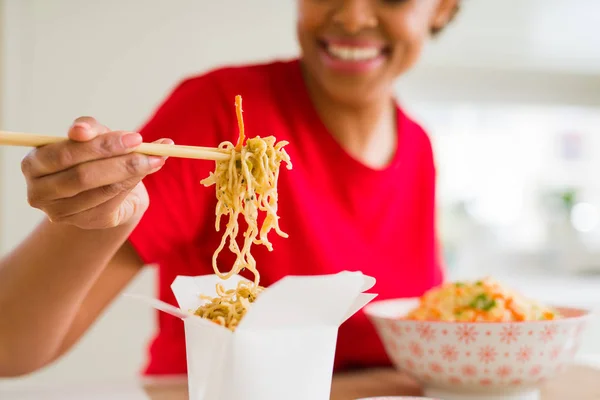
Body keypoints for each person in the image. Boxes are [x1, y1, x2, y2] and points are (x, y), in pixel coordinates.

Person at [0, 0, 460, 378]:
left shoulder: (418, 146)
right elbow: (10, 348)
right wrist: (86, 219)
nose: (353, 16)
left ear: (443, 7)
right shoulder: (219, 111)